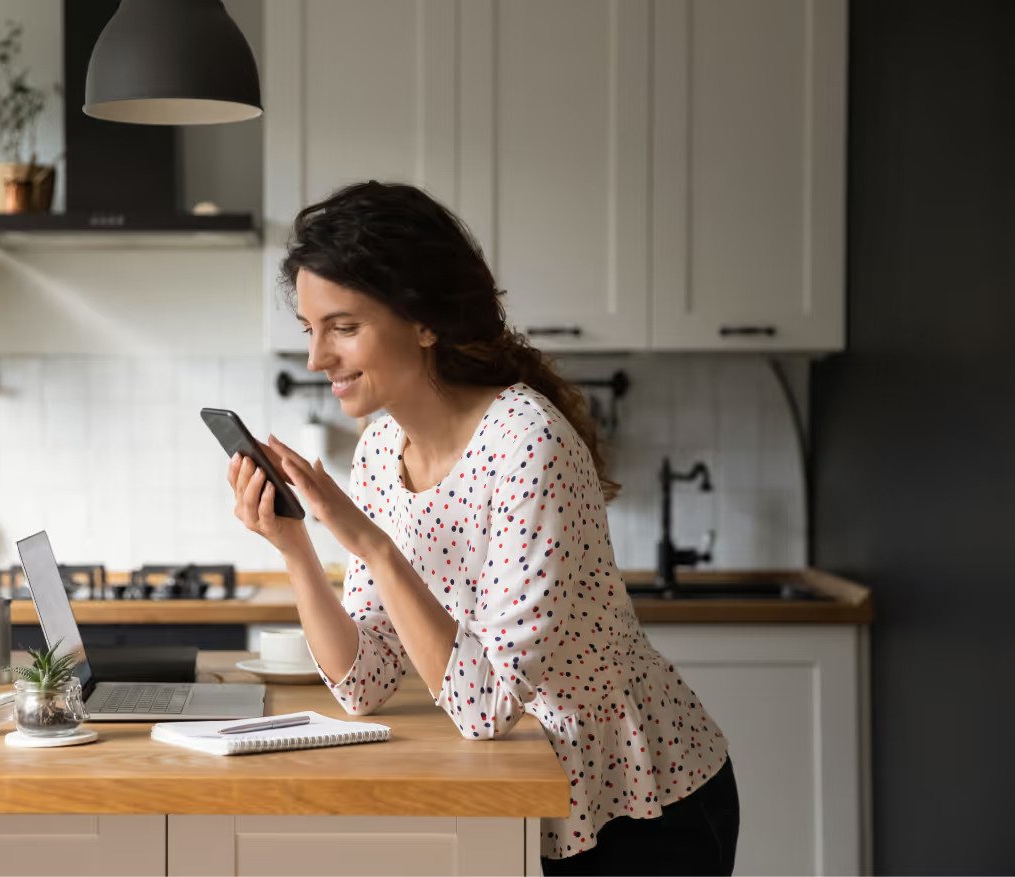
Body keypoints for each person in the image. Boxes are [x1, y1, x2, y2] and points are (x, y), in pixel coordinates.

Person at [225, 181, 739, 875]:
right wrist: (296, 549)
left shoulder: (528, 444)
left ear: (424, 321)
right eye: (310, 330)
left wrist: (369, 542)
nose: (318, 359)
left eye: (344, 327)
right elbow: (364, 681)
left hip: (642, 800)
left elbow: (489, 704)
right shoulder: (381, 451)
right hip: (529, 795)